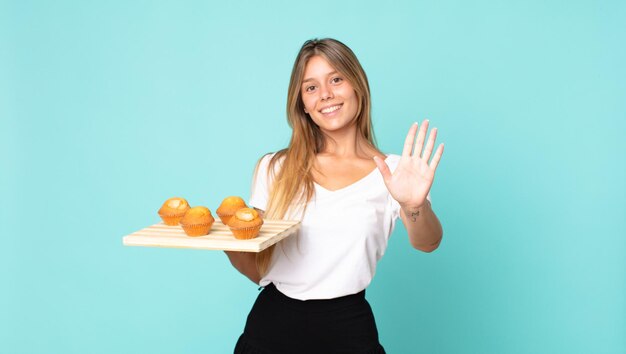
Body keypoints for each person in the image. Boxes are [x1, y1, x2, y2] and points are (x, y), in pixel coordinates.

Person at [225, 38, 444, 354]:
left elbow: (428, 242)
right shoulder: (275, 167)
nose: (325, 94)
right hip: (273, 325)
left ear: (357, 86)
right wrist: (226, 243)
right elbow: (258, 270)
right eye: (310, 87)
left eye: (336, 79)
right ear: (302, 102)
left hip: (347, 328)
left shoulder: (395, 172)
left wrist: (414, 204)